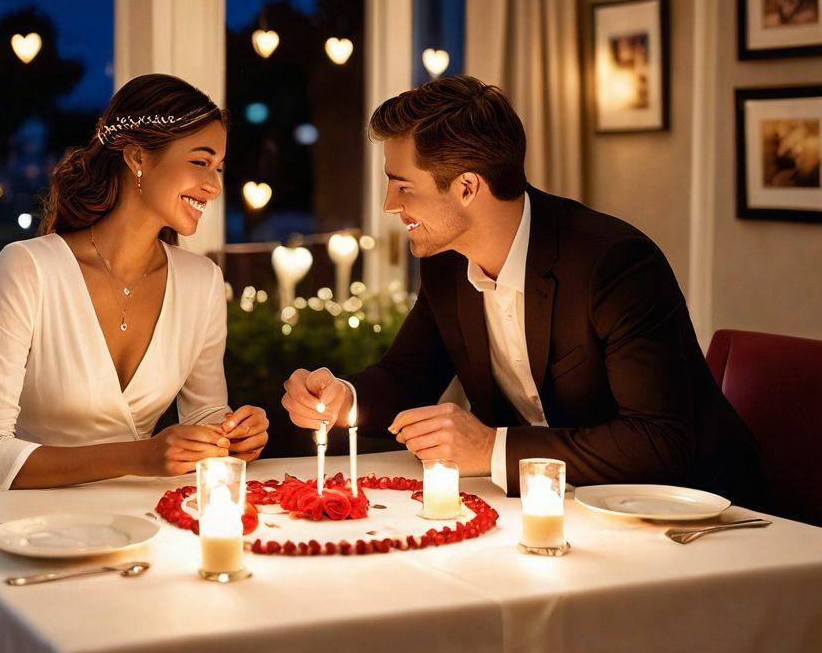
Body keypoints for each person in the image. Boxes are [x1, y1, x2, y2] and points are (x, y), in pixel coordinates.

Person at [282, 75, 769, 506]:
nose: (390, 205)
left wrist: (489, 449)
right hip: (552, 508)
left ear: (467, 187)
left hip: (695, 512)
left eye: (403, 186)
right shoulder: (447, 264)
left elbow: (657, 441)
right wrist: (343, 399)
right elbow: (408, 377)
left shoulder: (613, 264)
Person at [0, 74, 268, 490]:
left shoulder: (203, 282)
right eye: (199, 161)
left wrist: (231, 434)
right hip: (10, 524)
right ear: (138, 157)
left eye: (218, 167)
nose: (213, 186)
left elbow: (203, 417)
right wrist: (140, 456)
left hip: (133, 516)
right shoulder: (28, 268)